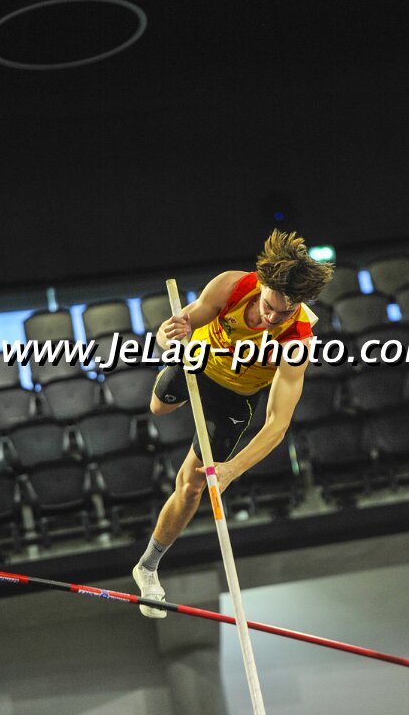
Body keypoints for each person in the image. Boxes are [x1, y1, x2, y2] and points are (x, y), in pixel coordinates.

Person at [132, 230, 333, 616]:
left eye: (283, 314)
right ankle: (175, 379)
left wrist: (232, 469)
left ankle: (148, 567)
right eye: (269, 307)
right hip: (199, 362)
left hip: (237, 397)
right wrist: (166, 335)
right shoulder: (232, 286)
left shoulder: (297, 340)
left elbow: (277, 424)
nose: (271, 319)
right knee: (158, 408)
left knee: (192, 486)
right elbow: (182, 322)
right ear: (261, 285)